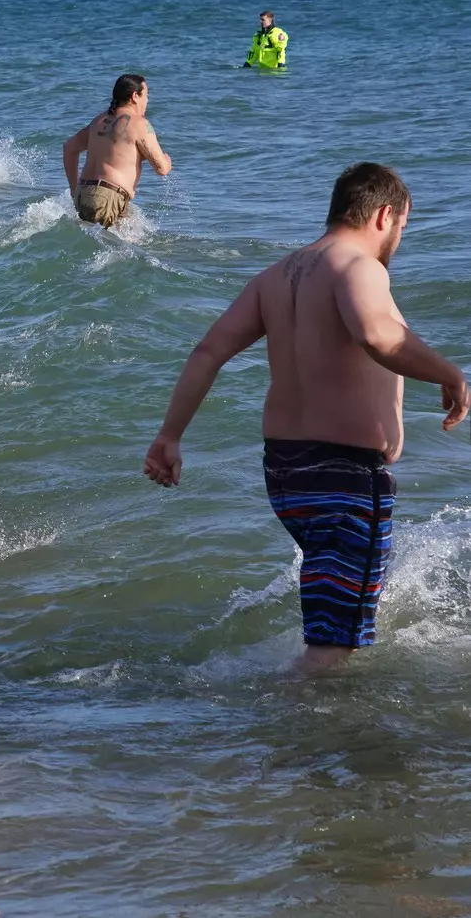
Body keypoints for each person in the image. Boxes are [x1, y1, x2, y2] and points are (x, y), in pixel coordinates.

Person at [143, 163, 468, 670]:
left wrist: (170, 435)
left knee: (335, 614)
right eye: (403, 226)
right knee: (334, 645)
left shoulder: (277, 275)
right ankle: (293, 735)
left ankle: (300, 725)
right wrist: (448, 373)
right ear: (385, 215)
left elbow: (208, 351)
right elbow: (377, 335)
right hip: (343, 476)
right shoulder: (359, 268)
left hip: (287, 472)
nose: (398, 239)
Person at [62, 73, 172, 229]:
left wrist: (74, 189)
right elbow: (161, 169)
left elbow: (69, 148)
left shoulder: (98, 121)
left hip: (84, 192)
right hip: (108, 197)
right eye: (146, 96)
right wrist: (167, 161)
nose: (147, 101)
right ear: (135, 96)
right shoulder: (139, 124)